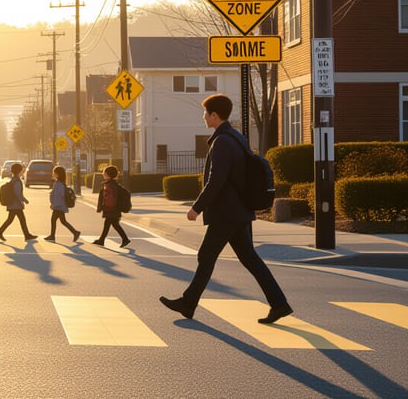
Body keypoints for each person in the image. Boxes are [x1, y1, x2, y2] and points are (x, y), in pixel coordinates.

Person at [159, 93, 292, 324]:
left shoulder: (222, 142)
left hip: (226, 212)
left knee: (206, 256)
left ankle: (188, 303)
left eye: (205, 113)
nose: (203, 117)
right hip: (238, 210)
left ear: (214, 115)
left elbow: (216, 180)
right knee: (249, 259)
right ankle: (279, 304)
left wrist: (197, 208)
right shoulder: (235, 137)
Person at [0, 162, 37, 241]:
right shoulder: (17, 181)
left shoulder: (13, 180)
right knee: (18, 220)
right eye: (22, 170)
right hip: (15, 205)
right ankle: (0, 232)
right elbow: (17, 194)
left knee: (14, 219)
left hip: (13, 204)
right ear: (19, 171)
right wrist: (24, 200)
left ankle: (0, 232)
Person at [93, 165, 130, 248]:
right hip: (115, 208)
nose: (103, 175)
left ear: (107, 174)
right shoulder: (115, 184)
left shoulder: (109, 185)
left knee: (110, 224)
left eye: (104, 173)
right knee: (113, 224)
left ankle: (103, 240)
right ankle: (103, 240)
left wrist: (103, 207)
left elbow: (108, 199)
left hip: (111, 209)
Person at [45, 165, 80, 242]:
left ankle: (52, 236)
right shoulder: (59, 183)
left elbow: (60, 196)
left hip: (59, 206)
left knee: (54, 220)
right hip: (59, 206)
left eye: (54, 173)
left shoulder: (59, 184)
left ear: (57, 174)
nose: (53, 174)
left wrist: (54, 204)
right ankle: (75, 232)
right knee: (62, 221)